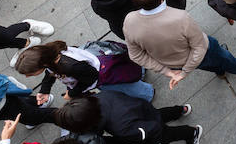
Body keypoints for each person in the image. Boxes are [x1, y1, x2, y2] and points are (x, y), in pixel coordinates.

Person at [124, 0, 236, 85]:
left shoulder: (129, 21)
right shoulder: (180, 17)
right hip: (202, 53)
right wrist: (184, 73)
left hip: (175, 63)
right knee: (221, 56)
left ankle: (220, 71)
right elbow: (199, 48)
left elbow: (136, 55)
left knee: (210, 64)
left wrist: (168, 72)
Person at [14, 41, 154, 102]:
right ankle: (140, 72)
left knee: (125, 86)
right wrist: (45, 90)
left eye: (30, 73)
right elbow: (49, 72)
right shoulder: (50, 55)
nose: (27, 76)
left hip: (102, 75)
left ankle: (147, 94)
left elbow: (92, 77)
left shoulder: (71, 67)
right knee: (125, 72)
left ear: (42, 63)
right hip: (98, 65)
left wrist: (72, 93)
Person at [52, 91, 200, 144]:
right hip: (140, 108)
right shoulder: (97, 97)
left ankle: (192, 132)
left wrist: (148, 143)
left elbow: (149, 131)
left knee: (166, 134)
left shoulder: (121, 128)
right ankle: (180, 110)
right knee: (158, 114)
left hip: (146, 126)